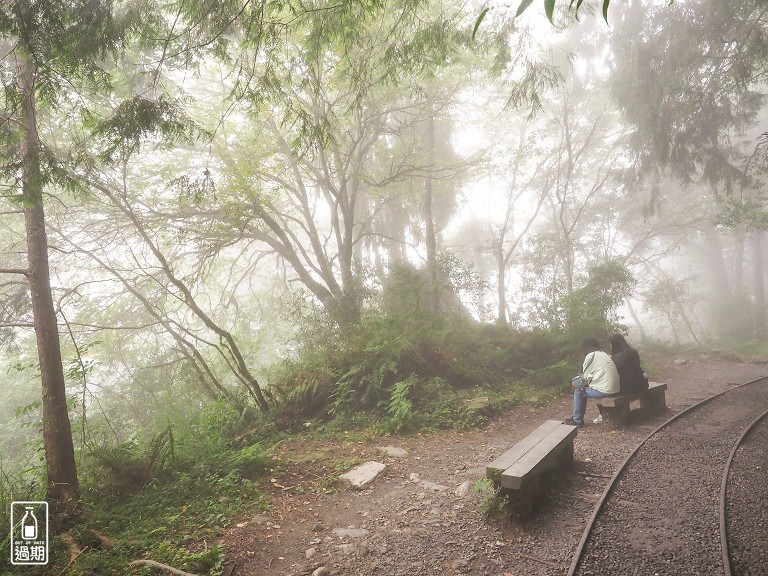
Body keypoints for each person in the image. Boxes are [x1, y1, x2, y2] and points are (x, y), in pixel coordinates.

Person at [564, 337, 620, 427]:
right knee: (583, 388)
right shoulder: (604, 354)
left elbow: (584, 379)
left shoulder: (590, 356)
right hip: (615, 388)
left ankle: (577, 420)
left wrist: (576, 382)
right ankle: (577, 418)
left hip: (605, 390)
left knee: (578, 390)